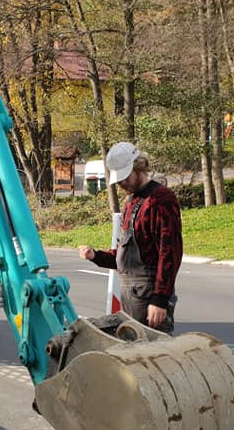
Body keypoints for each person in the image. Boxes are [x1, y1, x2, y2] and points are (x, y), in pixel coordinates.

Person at [78, 142, 183, 333]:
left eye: (124, 177)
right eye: (118, 179)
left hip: (150, 299)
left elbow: (170, 253)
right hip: (130, 299)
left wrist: (159, 299)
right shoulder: (130, 203)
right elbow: (124, 257)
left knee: (152, 359)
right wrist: (96, 256)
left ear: (139, 167)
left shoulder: (161, 199)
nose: (121, 183)